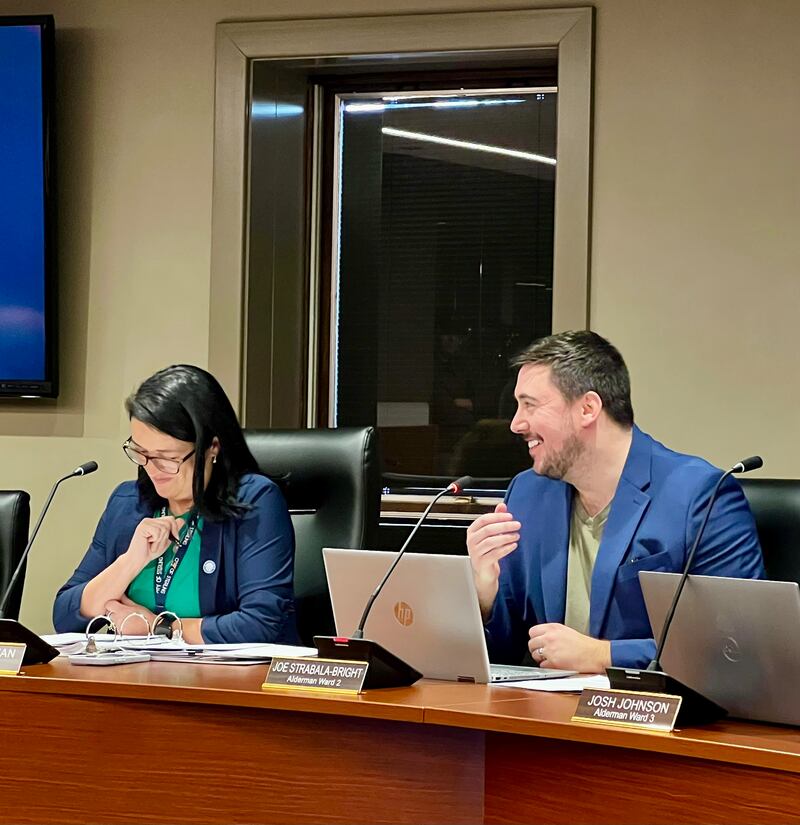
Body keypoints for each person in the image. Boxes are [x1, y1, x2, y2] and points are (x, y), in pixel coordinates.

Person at [466, 331, 764, 672]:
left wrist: (603, 655)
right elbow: (503, 651)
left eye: (530, 405)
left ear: (588, 409)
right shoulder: (528, 493)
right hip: (544, 703)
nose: (516, 424)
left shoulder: (700, 495)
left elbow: (735, 643)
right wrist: (483, 596)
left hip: (650, 705)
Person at [53, 364, 297, 644]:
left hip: (222, 671)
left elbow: (260, 624)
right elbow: (65, 615)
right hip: (135, 668)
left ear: (212, 448)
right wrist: (130, 562)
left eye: (168, 458)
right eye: (141, 453)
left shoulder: (255, 500)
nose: (152, 469)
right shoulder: (127, 503)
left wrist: (159, 629)